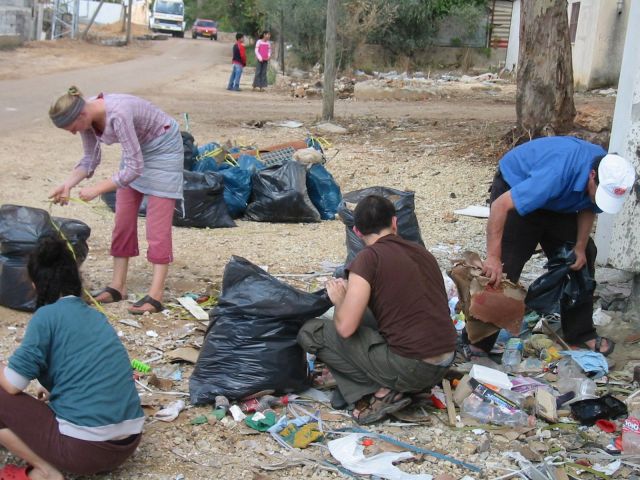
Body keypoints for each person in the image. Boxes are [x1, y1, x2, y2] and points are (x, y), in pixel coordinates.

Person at [471, 136, 636, 359]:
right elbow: (501, 206)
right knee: (504, 267)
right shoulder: (555, 175)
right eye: (599, 193)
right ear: (592, 176)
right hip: (519, 185)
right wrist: (492, 256)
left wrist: (578, 246)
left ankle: (580, 332)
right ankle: (479, 341)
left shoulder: (606, 174)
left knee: (583, 256)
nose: (600, 199)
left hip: (559, 202)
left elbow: (590, 205)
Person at [298, 195, 456, 425]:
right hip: (444, 361)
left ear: (357, 232)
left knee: (312, 331)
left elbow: (346, 328)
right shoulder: (422, 253)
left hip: (413, 368)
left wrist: (339, 300)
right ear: (394, 222)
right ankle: (392, 384)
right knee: (367, 316)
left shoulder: (368, 258)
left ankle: (377, 391)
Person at [0, 236, 144, 479]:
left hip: (84, 450)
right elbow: (89, 369)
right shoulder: (94, 315)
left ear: (36, 284)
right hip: (127, 443)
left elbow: (13, 385)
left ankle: (45, 471)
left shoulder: (46, 316)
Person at [48, 86, 183, 315]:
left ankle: (156, 294)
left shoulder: (118, 114)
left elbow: (134, 168)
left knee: (157, 226)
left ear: (81, 116)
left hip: (163, 147)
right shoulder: (86, 115)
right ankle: (117, 286)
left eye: (72, 129)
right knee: (123, 220)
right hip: (138, 151)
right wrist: (68, 184)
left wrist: (98, 189)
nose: (73, 133)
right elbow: (90, 158)